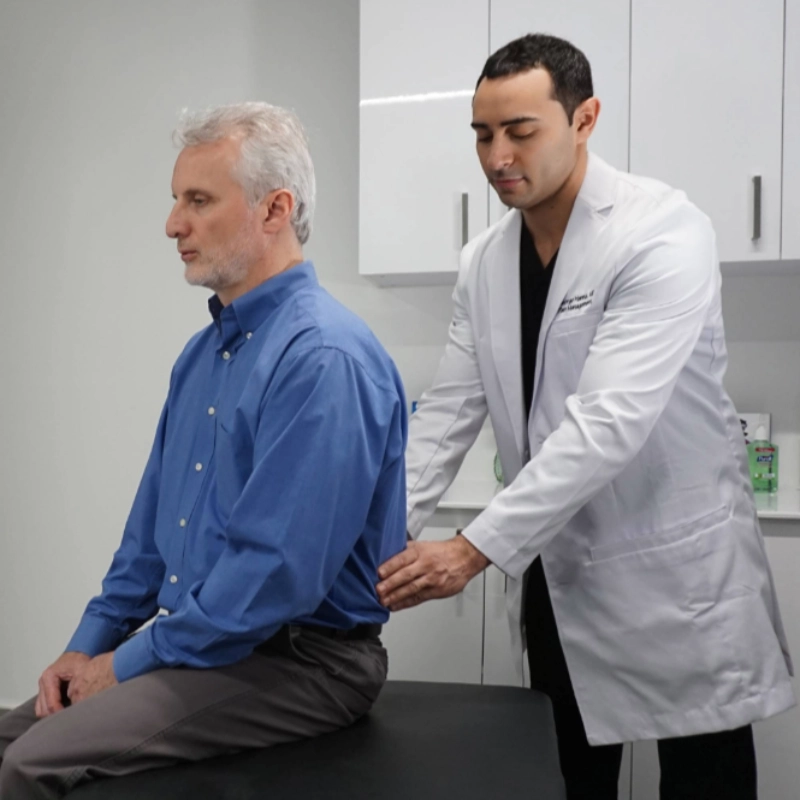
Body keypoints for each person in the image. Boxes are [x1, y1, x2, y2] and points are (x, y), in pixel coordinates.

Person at [376, 33, 794, 799]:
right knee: (567, 775)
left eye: (521, 130)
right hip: (556, 566)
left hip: (674, 569)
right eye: (482, 134)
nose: (498, 155)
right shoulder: (484, 262)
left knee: (706, 781)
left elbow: (609, 422)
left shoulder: (664, 231)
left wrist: (469, 549)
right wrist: (378, 533)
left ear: (585, 118)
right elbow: (448, 412)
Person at [0, 102, 407, 799]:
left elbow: (273, 576)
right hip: (208, 642)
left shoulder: (323, 359)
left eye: (198, 200)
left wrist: (126, 664)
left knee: (33, 763)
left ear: (274, 209)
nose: (172, 224)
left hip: (301, 663)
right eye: (175, 200)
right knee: (10, 731)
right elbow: (149, 541)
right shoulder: (202, 357)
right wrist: (88, 643)